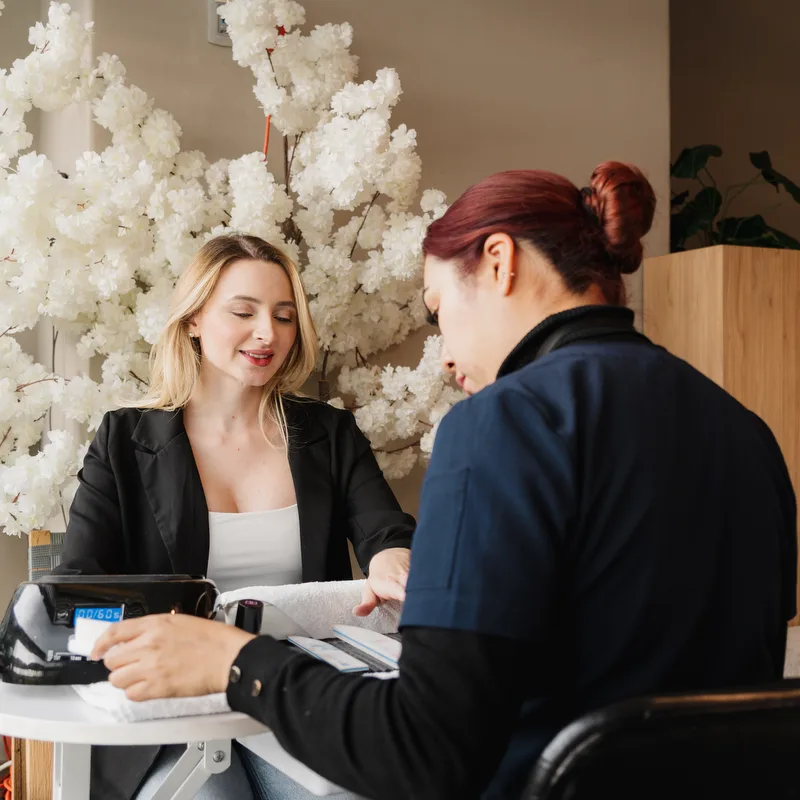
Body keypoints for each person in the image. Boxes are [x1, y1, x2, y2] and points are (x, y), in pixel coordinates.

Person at [91, 164, 797, 800]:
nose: (444, 354)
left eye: (437, 311)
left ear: (499, 262)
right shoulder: (746, 432)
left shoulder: (502, 423)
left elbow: (422, 750)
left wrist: (240, 661)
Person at [58, 234, 414, 800]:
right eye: (243, 312)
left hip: (290, 694)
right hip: (175, 710)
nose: (267, 334)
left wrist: (394, 561)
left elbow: (384, 531)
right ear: (195, 319)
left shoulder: (328, 434)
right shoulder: (124, 439)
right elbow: (77, 587)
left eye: (283, 316)